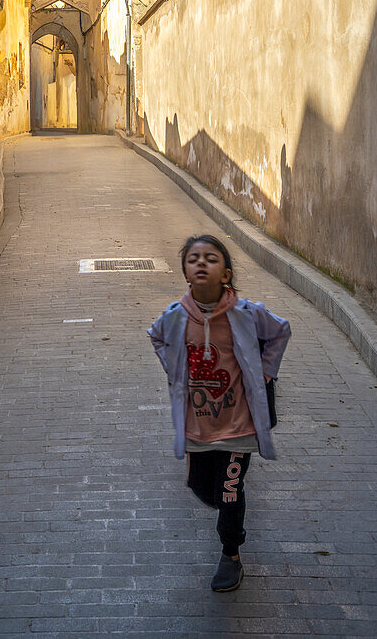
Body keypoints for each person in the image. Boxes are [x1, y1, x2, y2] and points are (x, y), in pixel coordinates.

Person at [148, 235, 290, 593]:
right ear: (185, 272)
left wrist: (265, 372)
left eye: (211, 258)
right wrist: (174, 369)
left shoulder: (247, 314)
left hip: (237, 425)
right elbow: (156, 337)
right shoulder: (176, 317)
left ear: (225, 273)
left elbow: (280, 331)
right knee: (203, 488)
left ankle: (231, 554)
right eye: (193, 258)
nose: (201, 263)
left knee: (229, 490)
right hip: (198, 426)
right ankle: (225, 505)